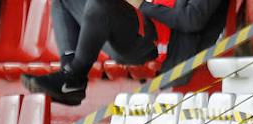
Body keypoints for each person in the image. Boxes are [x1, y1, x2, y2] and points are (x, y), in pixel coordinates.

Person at [22, 0, 227, 106]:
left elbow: (192, 19)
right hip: (133, 27)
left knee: (100, 4)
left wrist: (141, 5)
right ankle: (69, 76)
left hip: (163, 45)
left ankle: (72, 78)